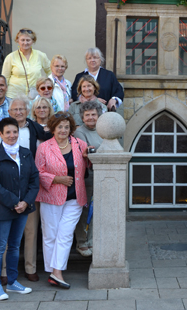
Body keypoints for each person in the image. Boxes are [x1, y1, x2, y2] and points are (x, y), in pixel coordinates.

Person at [0, 117, 39, 301]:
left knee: (15, 246)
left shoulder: (25, 153)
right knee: (0, 247)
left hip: (23, 208)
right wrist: (14, 202)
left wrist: (25, 202)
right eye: (7, 132)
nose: (12, 135)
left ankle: (13, 282)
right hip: (2, 208)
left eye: (15, 132)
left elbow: (34, 180)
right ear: (0, 134)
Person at [0, 96, 52, 284]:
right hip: (8, 187)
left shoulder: (33, 126)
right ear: (10, 112)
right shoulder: (4, 128)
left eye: (22, 109)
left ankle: (30, 268)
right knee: (6, 232)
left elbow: (50, 136)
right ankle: (4, 271)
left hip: (29, 185)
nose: (19, 112)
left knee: (31, 230)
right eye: (15, 110)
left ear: (27, 111)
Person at [35, 112, 90, 289]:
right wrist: (57, 179)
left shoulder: (80, 145)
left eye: (67, 127)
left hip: (75, 197)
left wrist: (90, 156)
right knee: (51, 235)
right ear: (53, 128)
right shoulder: (44, 147)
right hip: (51, 196)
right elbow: (38, 172)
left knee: (65, 235)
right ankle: (53, 271)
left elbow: (88, 165)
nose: (63, 130)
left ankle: (57, 272)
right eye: (60, 126)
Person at [72, 101, 104, 257]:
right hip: (88, 177)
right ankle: (82, 241)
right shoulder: (80, 132)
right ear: (82, 117)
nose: (91, 118)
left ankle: (92, 239)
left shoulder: (103, 130)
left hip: (103, 176)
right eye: (87, 115)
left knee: (97, 211)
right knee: (86, 211)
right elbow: (88, 152)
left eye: (94, 114)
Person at [2, 28, 51, 99]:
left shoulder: (41, 55)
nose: (25, 43)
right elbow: (5, 78)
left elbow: (50, 72)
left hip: (34, 97)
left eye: (28, 40)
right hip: (14, 96)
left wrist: (47, 86)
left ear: (33, 41)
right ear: (17, 41)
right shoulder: (10, 57)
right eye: (22, 40)